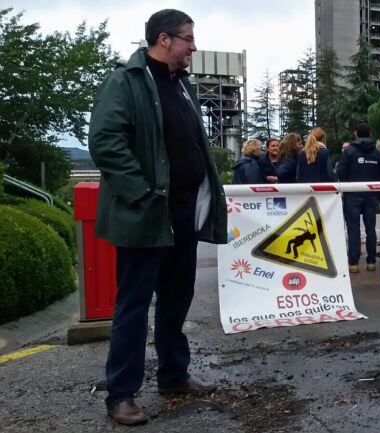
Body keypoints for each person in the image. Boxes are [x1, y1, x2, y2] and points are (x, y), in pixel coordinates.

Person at [88, 9, 227, 426]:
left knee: (176, 300)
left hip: (183, 213)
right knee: (133, 306)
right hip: (145, 216)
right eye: (188, 39)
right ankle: (122, 394)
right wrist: (143, 194)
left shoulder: (182, 86)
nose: (193, 47)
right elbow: (106, 142)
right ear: (164, 39)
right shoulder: (124, 82)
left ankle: (173, 374)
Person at [336, 124, 380, 273]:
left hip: (352, 195)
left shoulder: (349, 152)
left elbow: (341, 171)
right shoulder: (378, 154)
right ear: (370, 134)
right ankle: (371, 262)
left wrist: (346, 187)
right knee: (371, 229)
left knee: (353, 229)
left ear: (356, 134)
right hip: (371, 196)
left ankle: (353, 263)